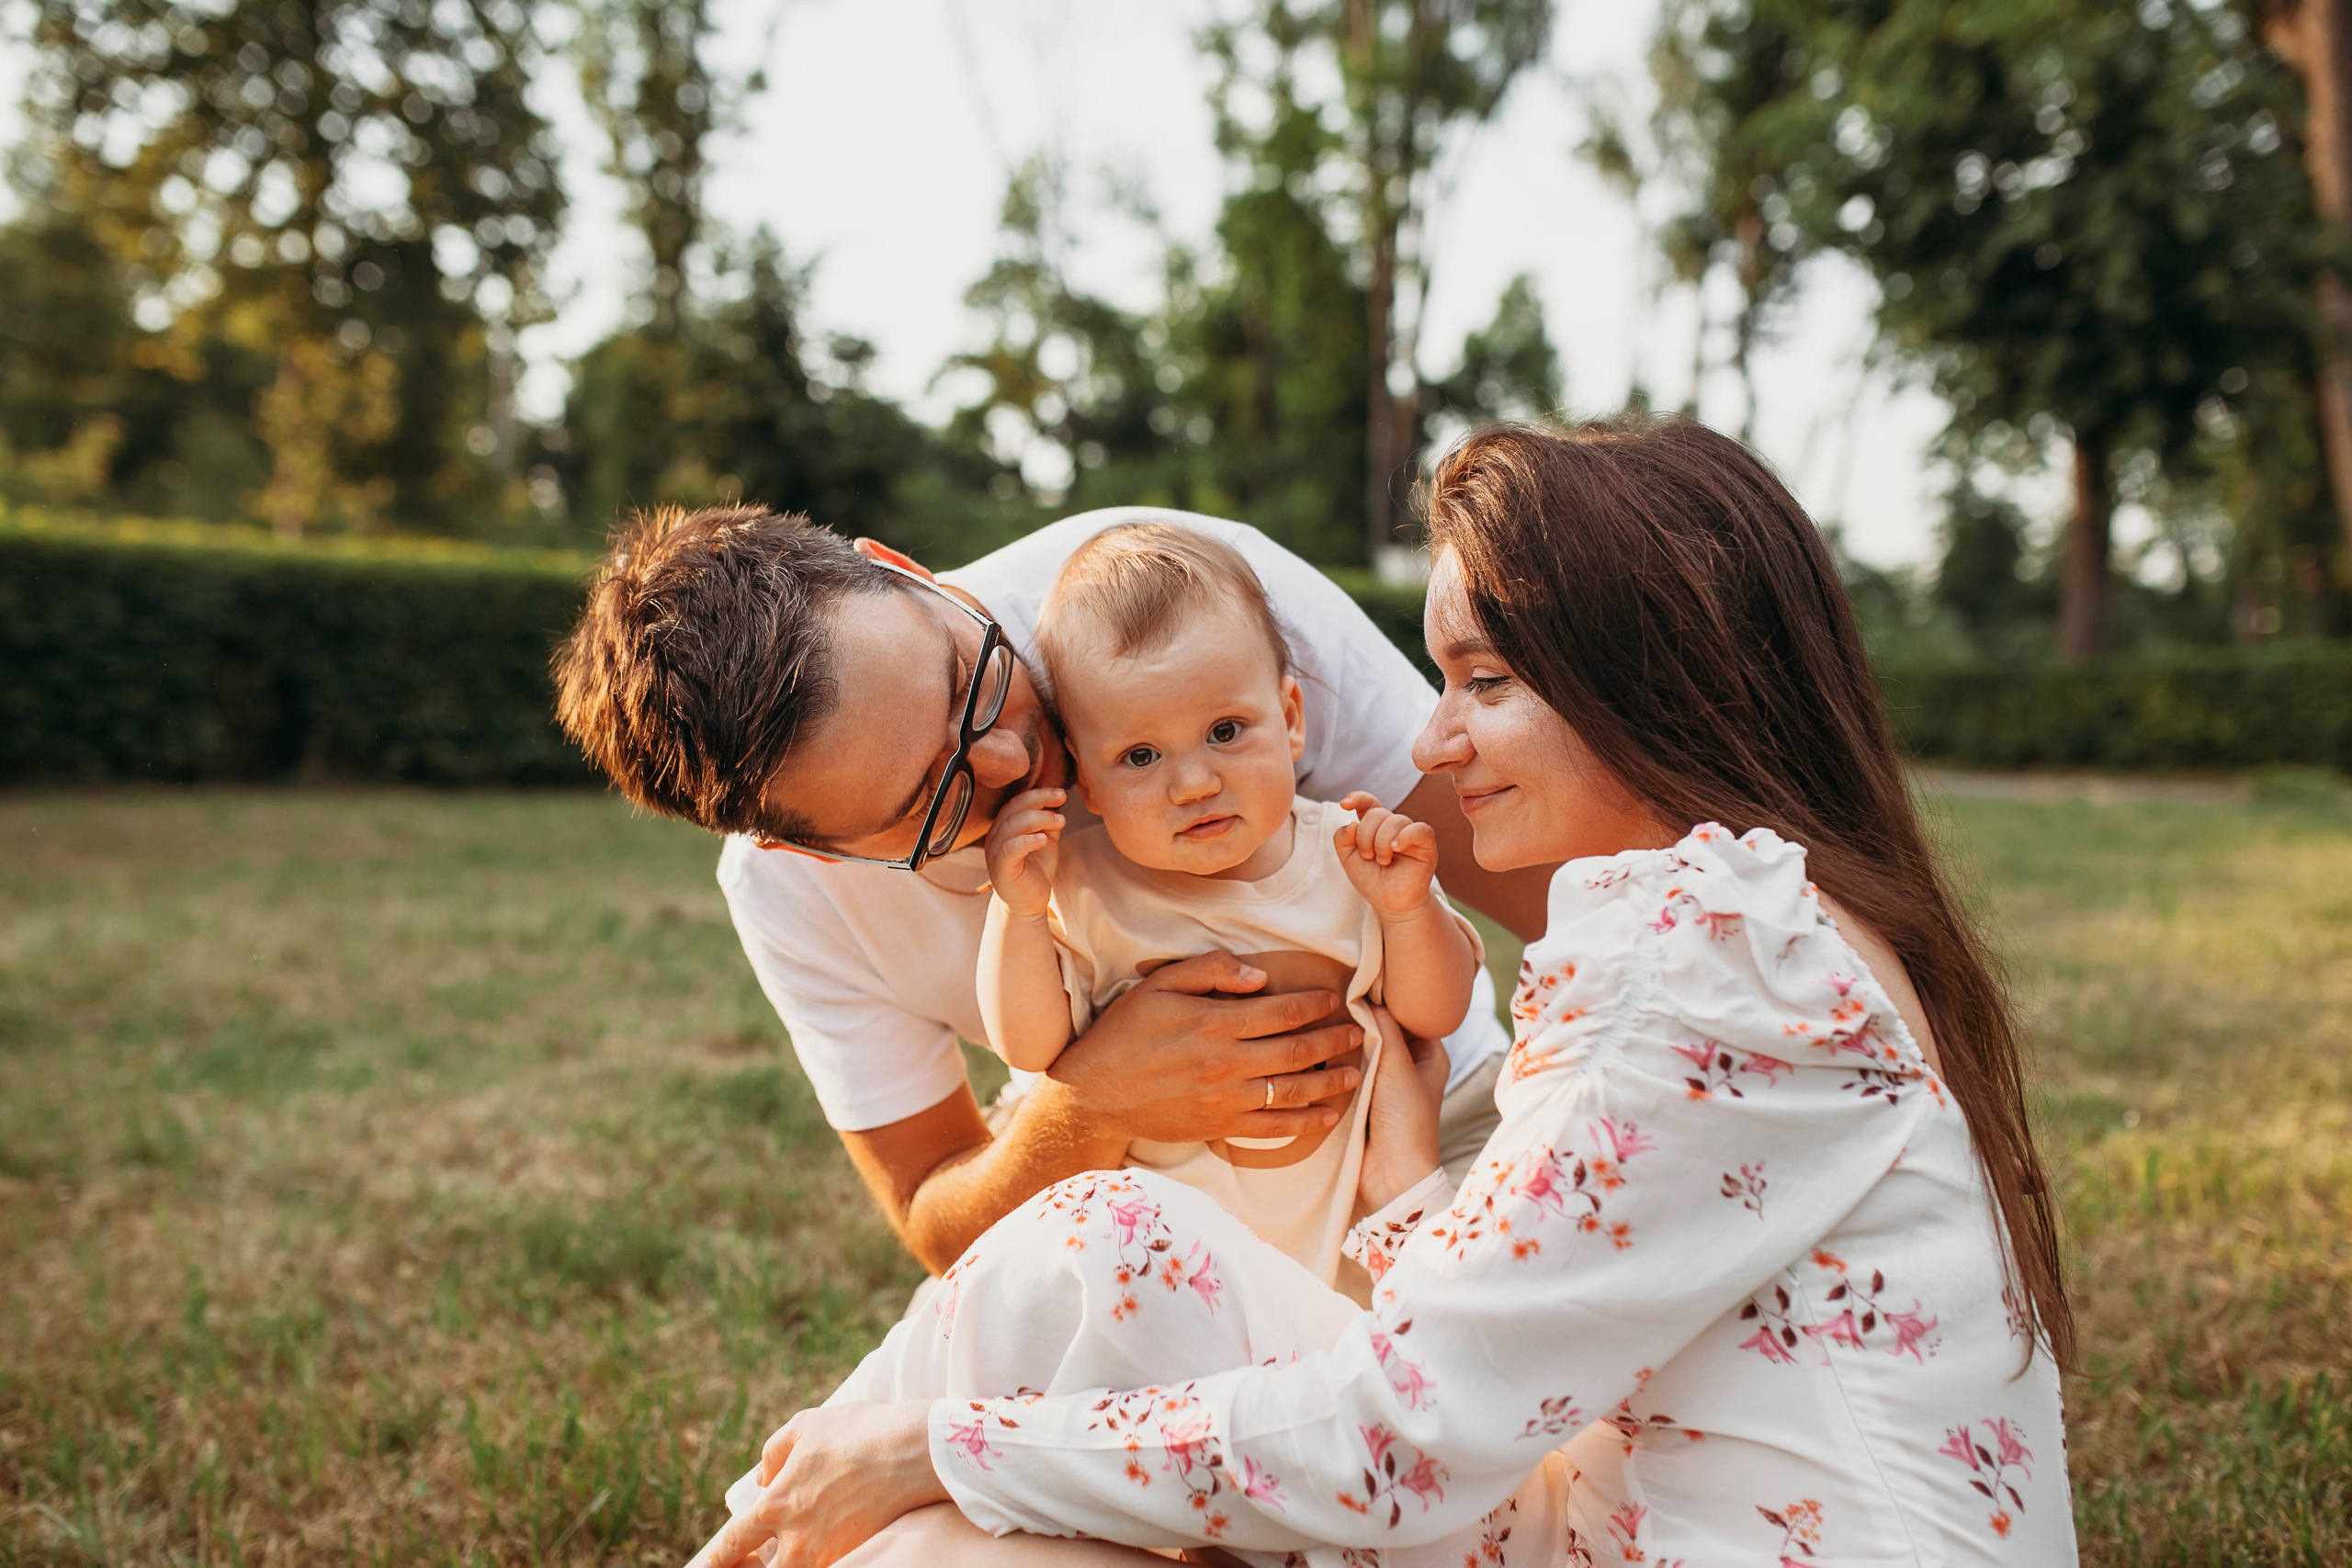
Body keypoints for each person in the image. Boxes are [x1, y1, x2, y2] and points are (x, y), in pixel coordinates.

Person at [694, 415, 2080, 1568]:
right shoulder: (1743, 923)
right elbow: (1520, 1327)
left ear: (1652, 683)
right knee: (1099, 1244)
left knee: (960, 1529)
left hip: (1611, 1516)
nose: (1426, 738)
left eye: (1482, 679)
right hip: (1601, 1506)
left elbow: (1404, 1436)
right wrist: (1400, 1179)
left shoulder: (1710, 956)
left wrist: (938, 1447)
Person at [554, 505, 1547, 1280]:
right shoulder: (791, 899)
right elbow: (939, 1219)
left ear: (901, 569)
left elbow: (1567, 898)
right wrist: (1092, 1102)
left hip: (1430, 1136)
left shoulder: (1189, 600)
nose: (1005, 755)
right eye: (931, 798)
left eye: (966, 679)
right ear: (804, 852)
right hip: (1168, 1227)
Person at [975, 523, 1481, 1281]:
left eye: (1224, 730)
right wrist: (1016, 913)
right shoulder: (1080, 886)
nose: (1194, 783)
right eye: (1140, 756)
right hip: (1161, 1270)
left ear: (1291, 718)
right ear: (1087, 779)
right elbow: (1028, 1046)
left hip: (1342, 1250)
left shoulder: (1350, 854)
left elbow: (1436, 1015)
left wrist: (1408, 912)